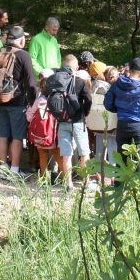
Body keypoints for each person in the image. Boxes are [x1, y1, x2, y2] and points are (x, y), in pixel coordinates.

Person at [0, 26, 39, 179]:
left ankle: (2, 168)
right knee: (17, 137)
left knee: (2, 135)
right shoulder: (23, 55)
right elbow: (31, 82)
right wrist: (34, 102)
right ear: (20, 40)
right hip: (17, 102)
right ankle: (14, 170)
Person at [104, 56, 140, 169]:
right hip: (138, 125)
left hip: (122, 124)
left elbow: (107, 103)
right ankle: (136, 186)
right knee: (139, 158)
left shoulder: (118, 83)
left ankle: (119, 186)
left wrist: (118, 110)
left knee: (121, 158)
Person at [52, 55, 93, 189]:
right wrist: (84, 113)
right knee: (84, 152)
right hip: (77, 121)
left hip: (62, 121)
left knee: (66, 154)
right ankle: (85, 182)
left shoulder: (55, 80)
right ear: (76, 67)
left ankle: (68, 183)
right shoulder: (79, 82)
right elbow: (88, 100)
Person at [26, 69, 62, 182]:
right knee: (58, 155)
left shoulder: (39, 101)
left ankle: (44, 178)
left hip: (41, 134)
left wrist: (27, 111)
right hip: (54, 134)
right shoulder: (58, 99)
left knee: (42, 155)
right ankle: (65, 177)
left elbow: (29, 117)